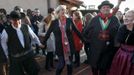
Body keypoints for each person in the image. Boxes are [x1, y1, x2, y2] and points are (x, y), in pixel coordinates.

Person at [43, 5, 84, 75]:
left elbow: (77, 31)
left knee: (69, 64)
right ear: (58, 12)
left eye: (65, 10)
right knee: (61, 64)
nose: (64, 11)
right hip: (60, 47)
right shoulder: (54, 22)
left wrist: (84, 40)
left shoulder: (70, 20)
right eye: (62, 10)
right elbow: (48, 33)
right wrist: (43, 43)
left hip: (69, 46)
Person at [82, 0, 121, 75]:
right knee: (94, 70)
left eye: (108, 7)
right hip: (95, 50)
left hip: (107, 51)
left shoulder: (114, 19)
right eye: (104, 7)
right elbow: (85, 32)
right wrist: (90, 42)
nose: (106, 8)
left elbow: (118, 33)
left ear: (110, 9)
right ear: (100, 9)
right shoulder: (95, 19)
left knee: (104, 71)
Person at [1, 11, 44, 75]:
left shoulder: (26, 27)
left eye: (18, 19)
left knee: (34, 71)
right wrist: (7, 56)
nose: (17, 22)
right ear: (10, 20)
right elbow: (4, 44)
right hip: (16, 58)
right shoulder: (6, 31)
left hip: (28, 55)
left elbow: (34, 36)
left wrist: (39, 43)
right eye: (14, 20)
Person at [108, 10, 134, 75]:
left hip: (131, 57)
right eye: (125, 16)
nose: (126, 18)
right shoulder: (122, 28)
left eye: (129, 16)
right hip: (121, 55)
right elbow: (117, 42)